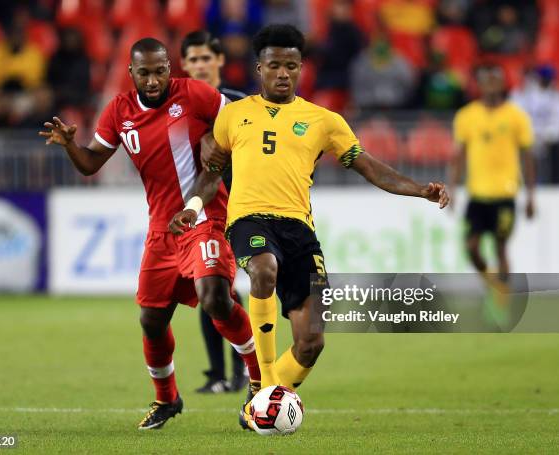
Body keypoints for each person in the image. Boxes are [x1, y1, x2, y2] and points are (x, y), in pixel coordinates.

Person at [169, 24, 449, 430]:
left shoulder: (323, 120)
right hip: (248, 219)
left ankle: (261, 407)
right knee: (263, 269)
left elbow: (368, 166)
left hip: (299, 230)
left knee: (311, 342)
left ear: (301, 69)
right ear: (258, 68)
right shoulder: (233, 115)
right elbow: (211, 174)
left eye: (292, 66)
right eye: (275, 65)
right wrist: (193, 207)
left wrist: (420, 189)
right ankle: (261, 385)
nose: (283, 73)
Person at [39, 37, 260, 430]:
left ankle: (259, 381)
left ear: (169, 69)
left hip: (205, 216)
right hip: (161, 229)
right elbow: (91, 164)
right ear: (131, 73)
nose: (154, 79)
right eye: (145, 72)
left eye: (161, 70)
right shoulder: (119, 112)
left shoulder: (194, 94)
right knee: (151, 321)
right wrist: (71, 146)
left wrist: (215, 138)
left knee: (215, 297)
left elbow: (240, 123)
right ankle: (167, 399)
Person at [180, 30, 249, 394]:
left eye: (207, 57)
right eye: (193, 59)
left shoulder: (241, 106)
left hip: (238, 207)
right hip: (198, 210)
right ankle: (219, 373)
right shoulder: (176, 111)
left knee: (223, 289)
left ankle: (241, 371)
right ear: (183, 65)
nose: (200, 65)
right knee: (208, 290)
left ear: (220, 61)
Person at [450, 64, 535, 296]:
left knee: (501, 248)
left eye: (494, 80)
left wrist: (530, 197)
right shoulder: (466, 116)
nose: (490, 85)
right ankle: (493, 283)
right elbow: (458, 157)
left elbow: (527, 157)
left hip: (505, 195)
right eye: (485, 80)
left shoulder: (517, 116)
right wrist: (453, 191)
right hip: (477, 195)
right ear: (479, 85)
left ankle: (503, 294)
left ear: (502, 83)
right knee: (471, 247)